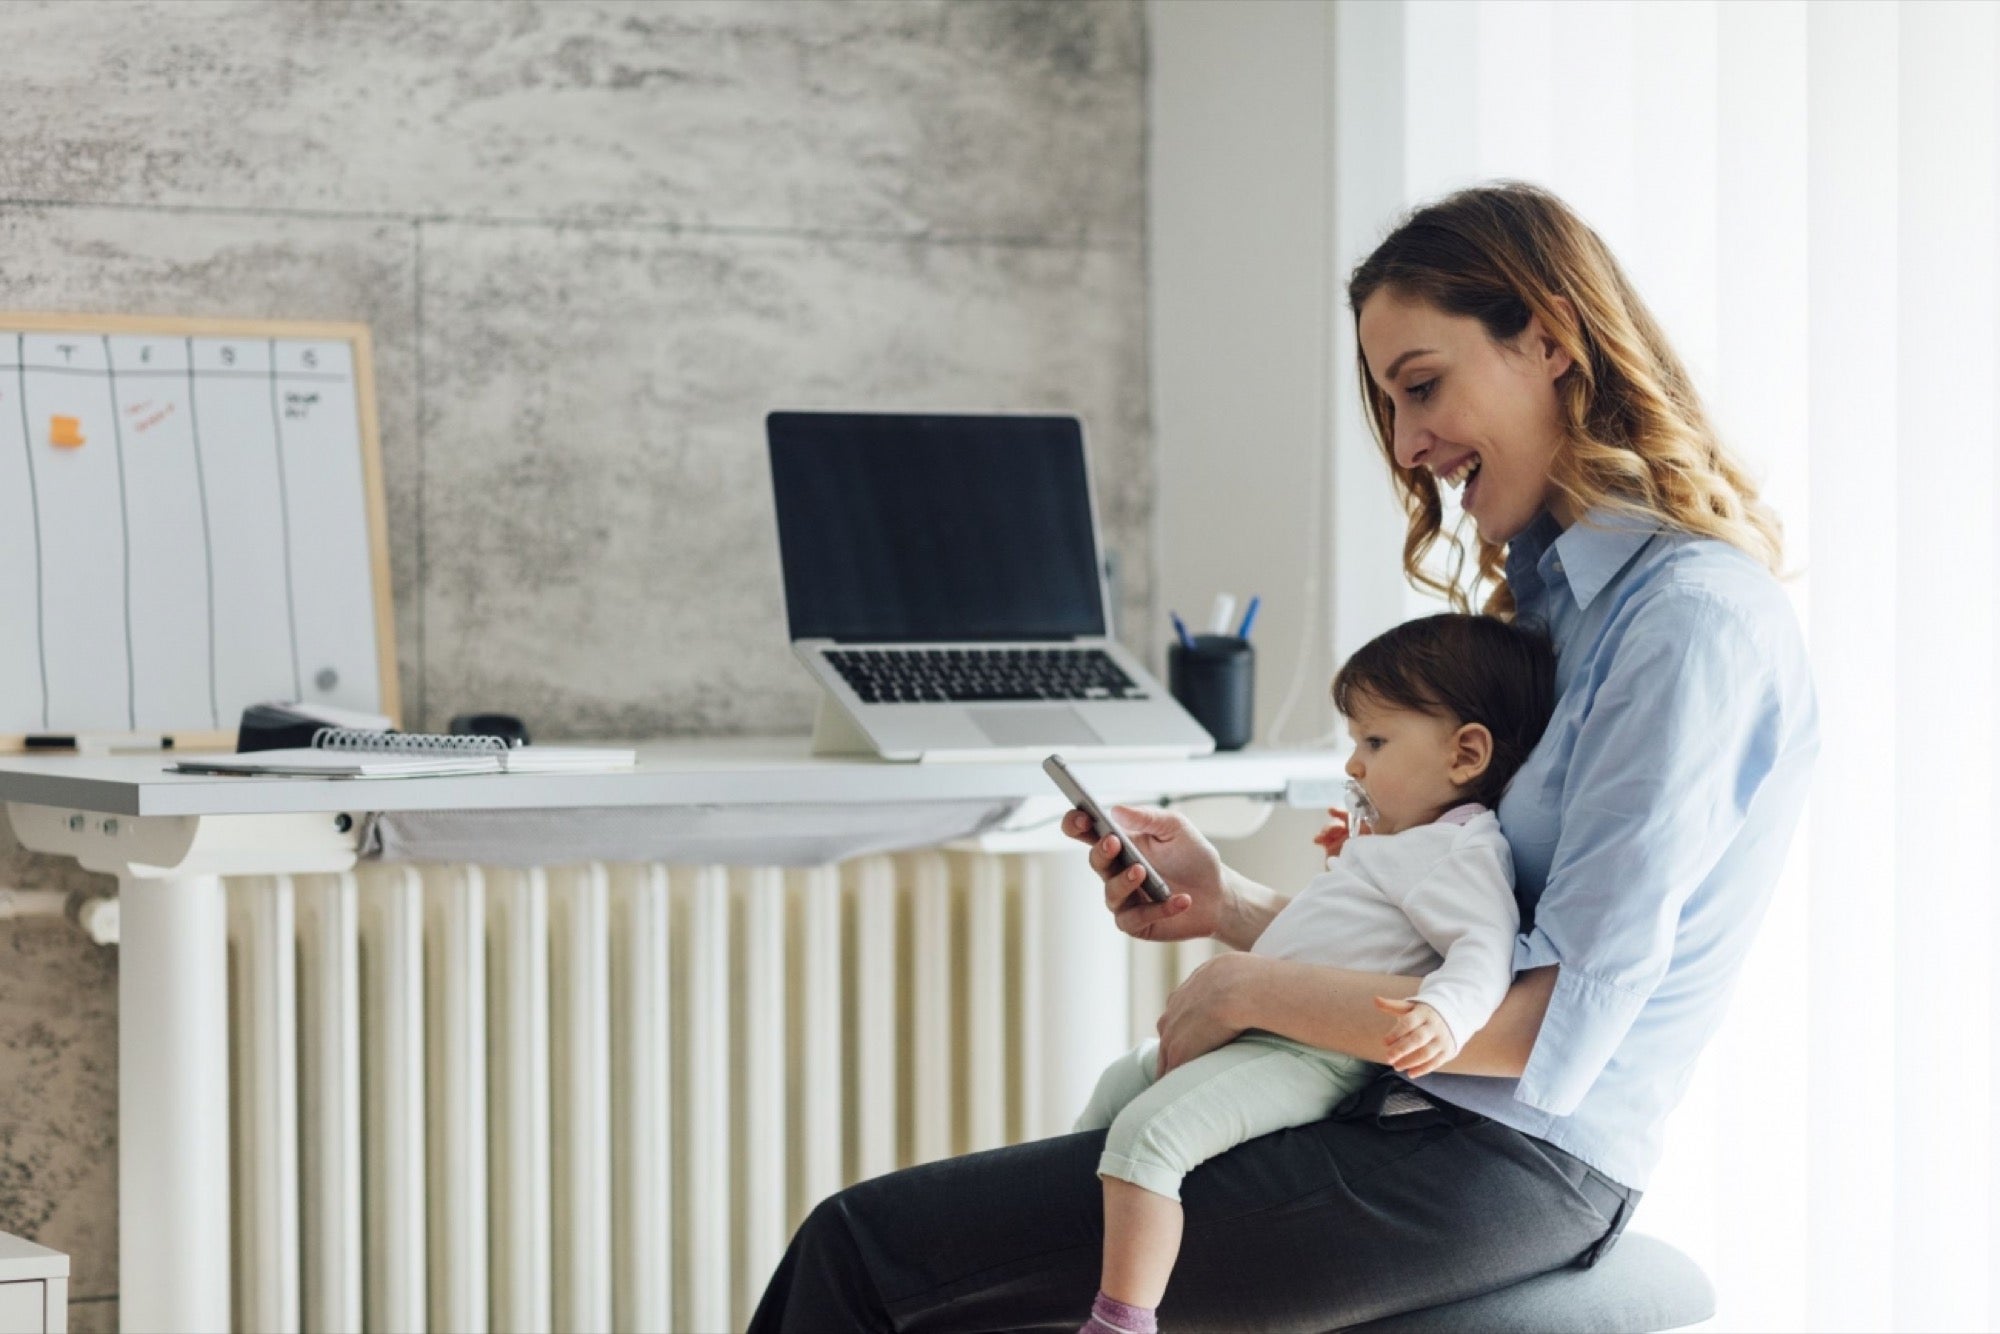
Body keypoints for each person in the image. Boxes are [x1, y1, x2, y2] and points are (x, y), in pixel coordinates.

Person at [748, 181, 1818, 1332]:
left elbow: (1537, 1026)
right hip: (1409, 1114)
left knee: (861, 1253)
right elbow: (1452, 935)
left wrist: (1249, 987)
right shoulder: (1560, 608)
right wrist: (1234, 907)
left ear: (1548, 339)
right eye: (1390, 402)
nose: (1407, 443)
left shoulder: (1685, 626)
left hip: (1491, 1161)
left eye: (1420, 386)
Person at [1072, 613, 1554, 1334]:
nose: (1355, 765)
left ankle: (1121, 1320)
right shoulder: (1410, 843)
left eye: (1375, 742)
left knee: (1151, 1135)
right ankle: (1071, 1233)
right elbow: (1353, 934)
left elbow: (1483, 952)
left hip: (1309, 1055)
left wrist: (1444, 1015)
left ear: (1466, 754)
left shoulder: (1463, 853)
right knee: (1121, 1081)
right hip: (1269, 1037)